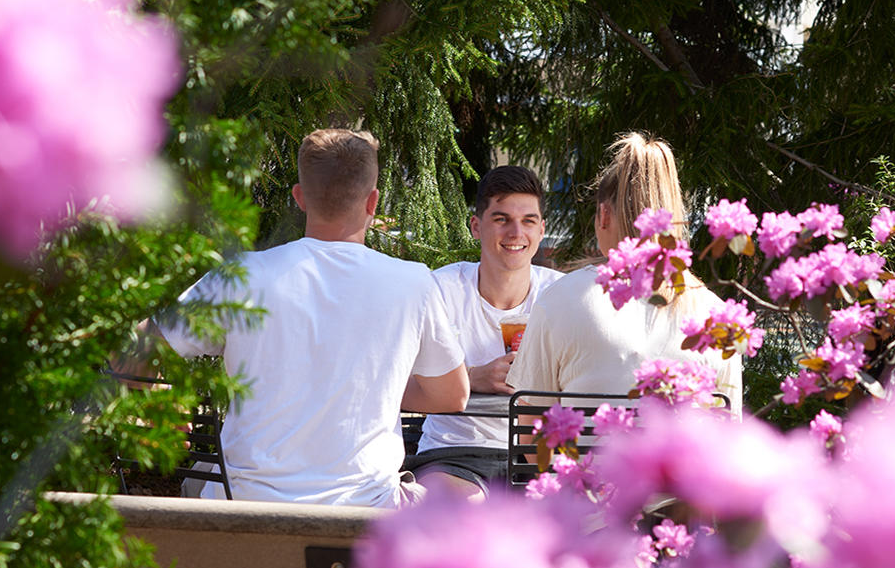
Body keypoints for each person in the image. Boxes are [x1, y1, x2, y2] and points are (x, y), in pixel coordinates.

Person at [150, 129, 469, 507]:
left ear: (299, 197)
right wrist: (367, 384)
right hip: (363, 512)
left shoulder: (242, 276)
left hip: (245, 506)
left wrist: (158, 395)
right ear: (373, 202)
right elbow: (452, 394)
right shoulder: (414, 282)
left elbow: (138, 350)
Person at [508, 132, 743, 409]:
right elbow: (728, 426)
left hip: (589, 454)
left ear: (603, 215)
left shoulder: (559, 299)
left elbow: (532, 431)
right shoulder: (715, 314)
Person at [404, 166, 564, 500]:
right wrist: (472, 377)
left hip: (539, 456)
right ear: (476, 226)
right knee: (463, 512)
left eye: (529, 221)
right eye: (501, 219)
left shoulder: (560, 295)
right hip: (455, 452)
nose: (516, 232)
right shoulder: (440, 289)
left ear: (542, 229)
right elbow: (396, 380)